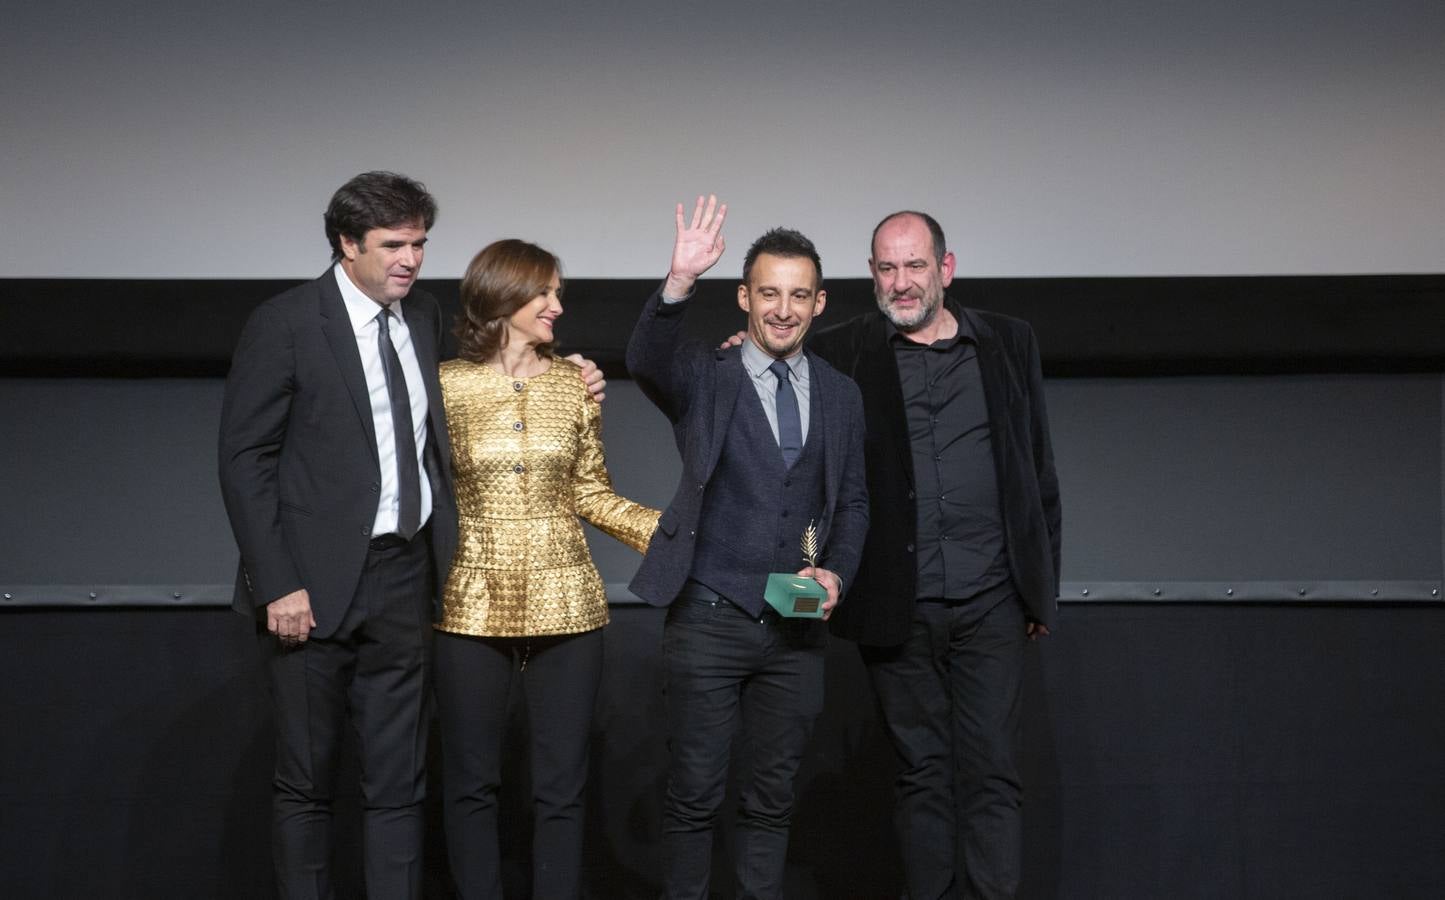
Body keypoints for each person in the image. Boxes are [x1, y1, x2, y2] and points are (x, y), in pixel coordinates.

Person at [217, 171, 606, 898]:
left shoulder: (422, 318)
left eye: (419, 243)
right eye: (392, 244)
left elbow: (490, 385)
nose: (409, 258)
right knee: (307, 783)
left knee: (399, 784)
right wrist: (278, 582)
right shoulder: (289, 322)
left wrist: (570, 374)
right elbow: (245, 461)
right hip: (311, 585)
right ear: (346, 244)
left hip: (405, 578)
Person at [811, 211, 1062, 900]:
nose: (901, 282)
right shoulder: (842, 351)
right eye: (886, 268)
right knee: (920, 773)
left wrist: (1040, 589)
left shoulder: (1007, 342)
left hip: (992, 597)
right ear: (871, 275)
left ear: (943, 269)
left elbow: (1035, 470)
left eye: (914, 266)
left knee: (992, 771)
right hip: (896, 600)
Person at [626, 196, 870, 900]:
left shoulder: (841, 394)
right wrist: (676, 284)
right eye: (769, 293)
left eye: (798, 295)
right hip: (707, 617)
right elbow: (646, 358)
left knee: (770, 800)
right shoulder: (706, 376)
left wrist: (838, 578)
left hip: (795, 632)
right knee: (694, 796)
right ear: (743, 297)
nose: (783, 309)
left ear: (820, 302)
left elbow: (853, 502)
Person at [432, 239, 659, 899]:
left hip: (569, 602)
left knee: (562, 786)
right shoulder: (443, 385)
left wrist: (673, 535)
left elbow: (589, 492)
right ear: (502, 295)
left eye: (559, 293)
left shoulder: (573, 384)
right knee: (471, 784)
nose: (558, 306)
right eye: (546, 293)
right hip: (468, 604)